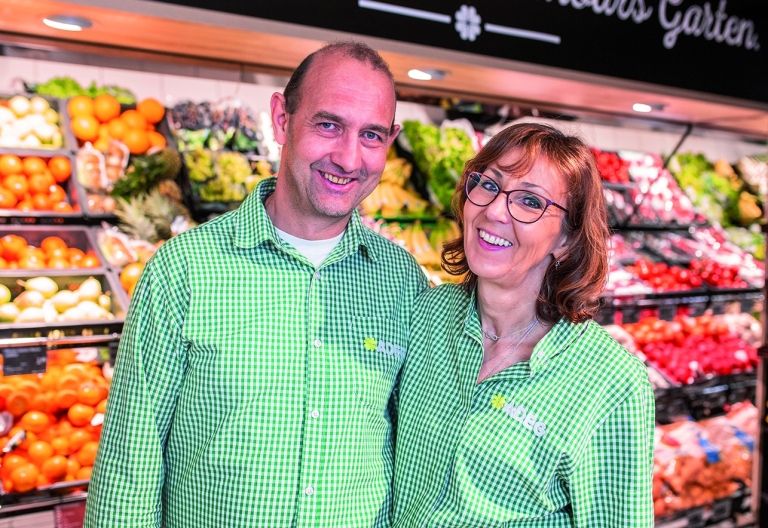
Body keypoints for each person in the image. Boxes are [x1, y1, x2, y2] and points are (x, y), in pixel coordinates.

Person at [85, 41, 427, 528]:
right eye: (329, 125)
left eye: (371, 135)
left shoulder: (402, 281)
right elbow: (129, 464)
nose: (349, 158)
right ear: (282, 119)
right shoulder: (184, 269)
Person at [392, 122, 655, 527]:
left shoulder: (612, 383)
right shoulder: (426, 315)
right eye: (488, 185)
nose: (494, 211)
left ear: (567, 239)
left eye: (530, 202)